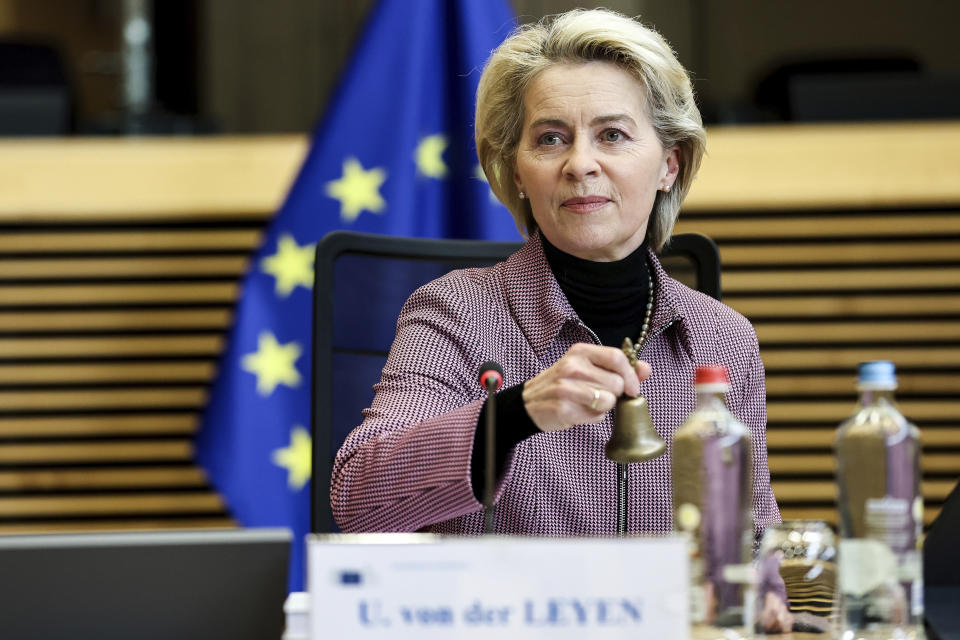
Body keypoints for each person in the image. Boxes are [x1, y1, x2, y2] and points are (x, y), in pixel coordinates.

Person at [332, 5, 780, 583]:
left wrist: (770, 590)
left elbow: (756, 541)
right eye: (550, 139)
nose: (580, 164)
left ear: (669, 163)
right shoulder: (456, 315)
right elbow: (361, 501)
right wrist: (514, 414)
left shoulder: (725, 339)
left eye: (612, 135)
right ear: (518, 173)